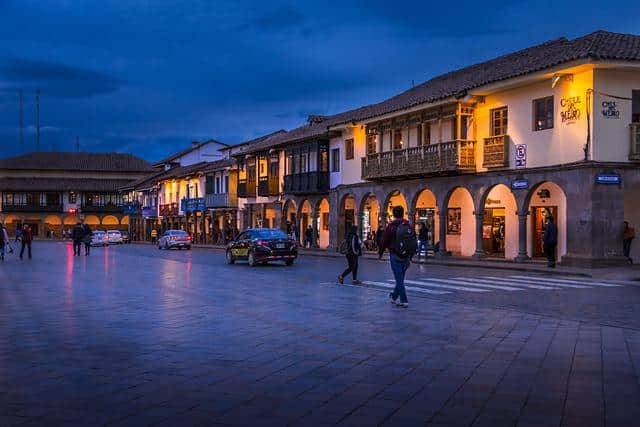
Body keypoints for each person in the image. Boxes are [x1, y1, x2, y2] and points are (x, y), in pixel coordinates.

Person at [378, 206, 414, 308]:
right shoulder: (408, 225)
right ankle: (394, 296)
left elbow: (384, 241)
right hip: (406, 256)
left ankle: (404, 300)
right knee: (400, 278)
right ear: (403, 213)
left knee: (399, 280)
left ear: (393, 214)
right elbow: (412, 240)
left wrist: (380, 253)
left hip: (395, 255)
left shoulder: (391, 226)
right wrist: (410, 256)